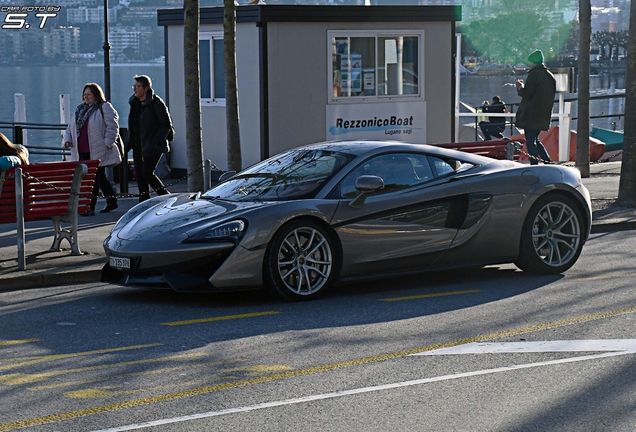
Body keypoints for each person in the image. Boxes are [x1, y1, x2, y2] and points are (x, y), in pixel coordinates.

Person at [63, 82, 121, 216]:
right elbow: (70, 128)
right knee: (99, 177)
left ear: (96, 95)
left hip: (97, 150)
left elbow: (112, 126)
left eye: (89, 94)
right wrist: (67, 140)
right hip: (82, 150)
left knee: (93, 178)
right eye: (84, 95)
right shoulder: (79, 110)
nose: (86, 97)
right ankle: (112, 201)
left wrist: (107, 143)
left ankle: (90, 207)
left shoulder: (104, 107)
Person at [125, 75, 173, 202]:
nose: (135, 89)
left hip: (152, 145)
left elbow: (166, 124)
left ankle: (166, 196)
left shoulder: (156, 103)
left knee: (147, 172)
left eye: (138, 86)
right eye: (134, 86)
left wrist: (155, 142)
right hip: (137, 144)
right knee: (140, 175)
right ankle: (144, 200)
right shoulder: (134, 103)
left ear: (146, 88)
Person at [515, 50, 556, 165]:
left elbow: (527, 93)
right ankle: (547, 162)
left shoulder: (534, 74)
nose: (529, 64)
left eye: (530, 62)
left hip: (531, 114)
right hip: (543, 114)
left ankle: (534, 164)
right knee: (535, 139)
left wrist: (519, 87)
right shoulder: (549, 75)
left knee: (530, 141)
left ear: (533, 62)